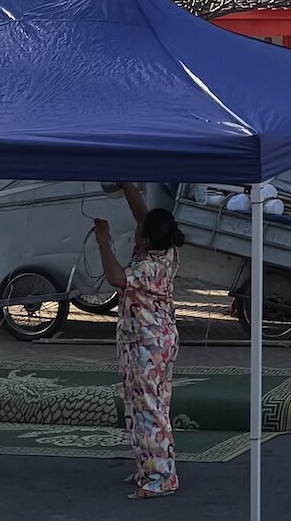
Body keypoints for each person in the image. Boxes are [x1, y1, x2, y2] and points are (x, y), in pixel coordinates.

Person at [94, 182, 186, 500]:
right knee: (141, 407)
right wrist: (127, 186)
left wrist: (103, 242)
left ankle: (162, 477)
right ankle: (148, 468)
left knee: (149, 408)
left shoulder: (148, 266)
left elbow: (116, 278)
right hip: (149, 341)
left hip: (148, 344)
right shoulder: (166, 252)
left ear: (145, 240)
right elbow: (143, 216)